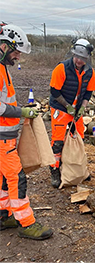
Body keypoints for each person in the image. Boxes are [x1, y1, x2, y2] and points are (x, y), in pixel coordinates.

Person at [0, 23, 54, 240]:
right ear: (3, 46)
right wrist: (21, 111)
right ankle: (27, 223)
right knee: (17, 178)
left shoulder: (3, 68)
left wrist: (20, 111)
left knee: (4, 179)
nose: (18, 57)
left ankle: (4, 215)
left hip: (5, 136)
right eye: (15, 52)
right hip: (2, 138)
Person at [48, 38, 95, 188]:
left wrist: (82, 107)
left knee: (78, 140)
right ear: (73, 54)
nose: (78, 60)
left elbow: (89, 92)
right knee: (58, 142)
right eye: (77, 57)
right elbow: (54, 91)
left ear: (86, 58)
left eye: (82, 58)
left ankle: (79, 169)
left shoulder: (90, 72)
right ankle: (55, 170)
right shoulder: (61, 68)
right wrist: (67, 106)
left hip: (77, 110)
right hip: (60, 108)